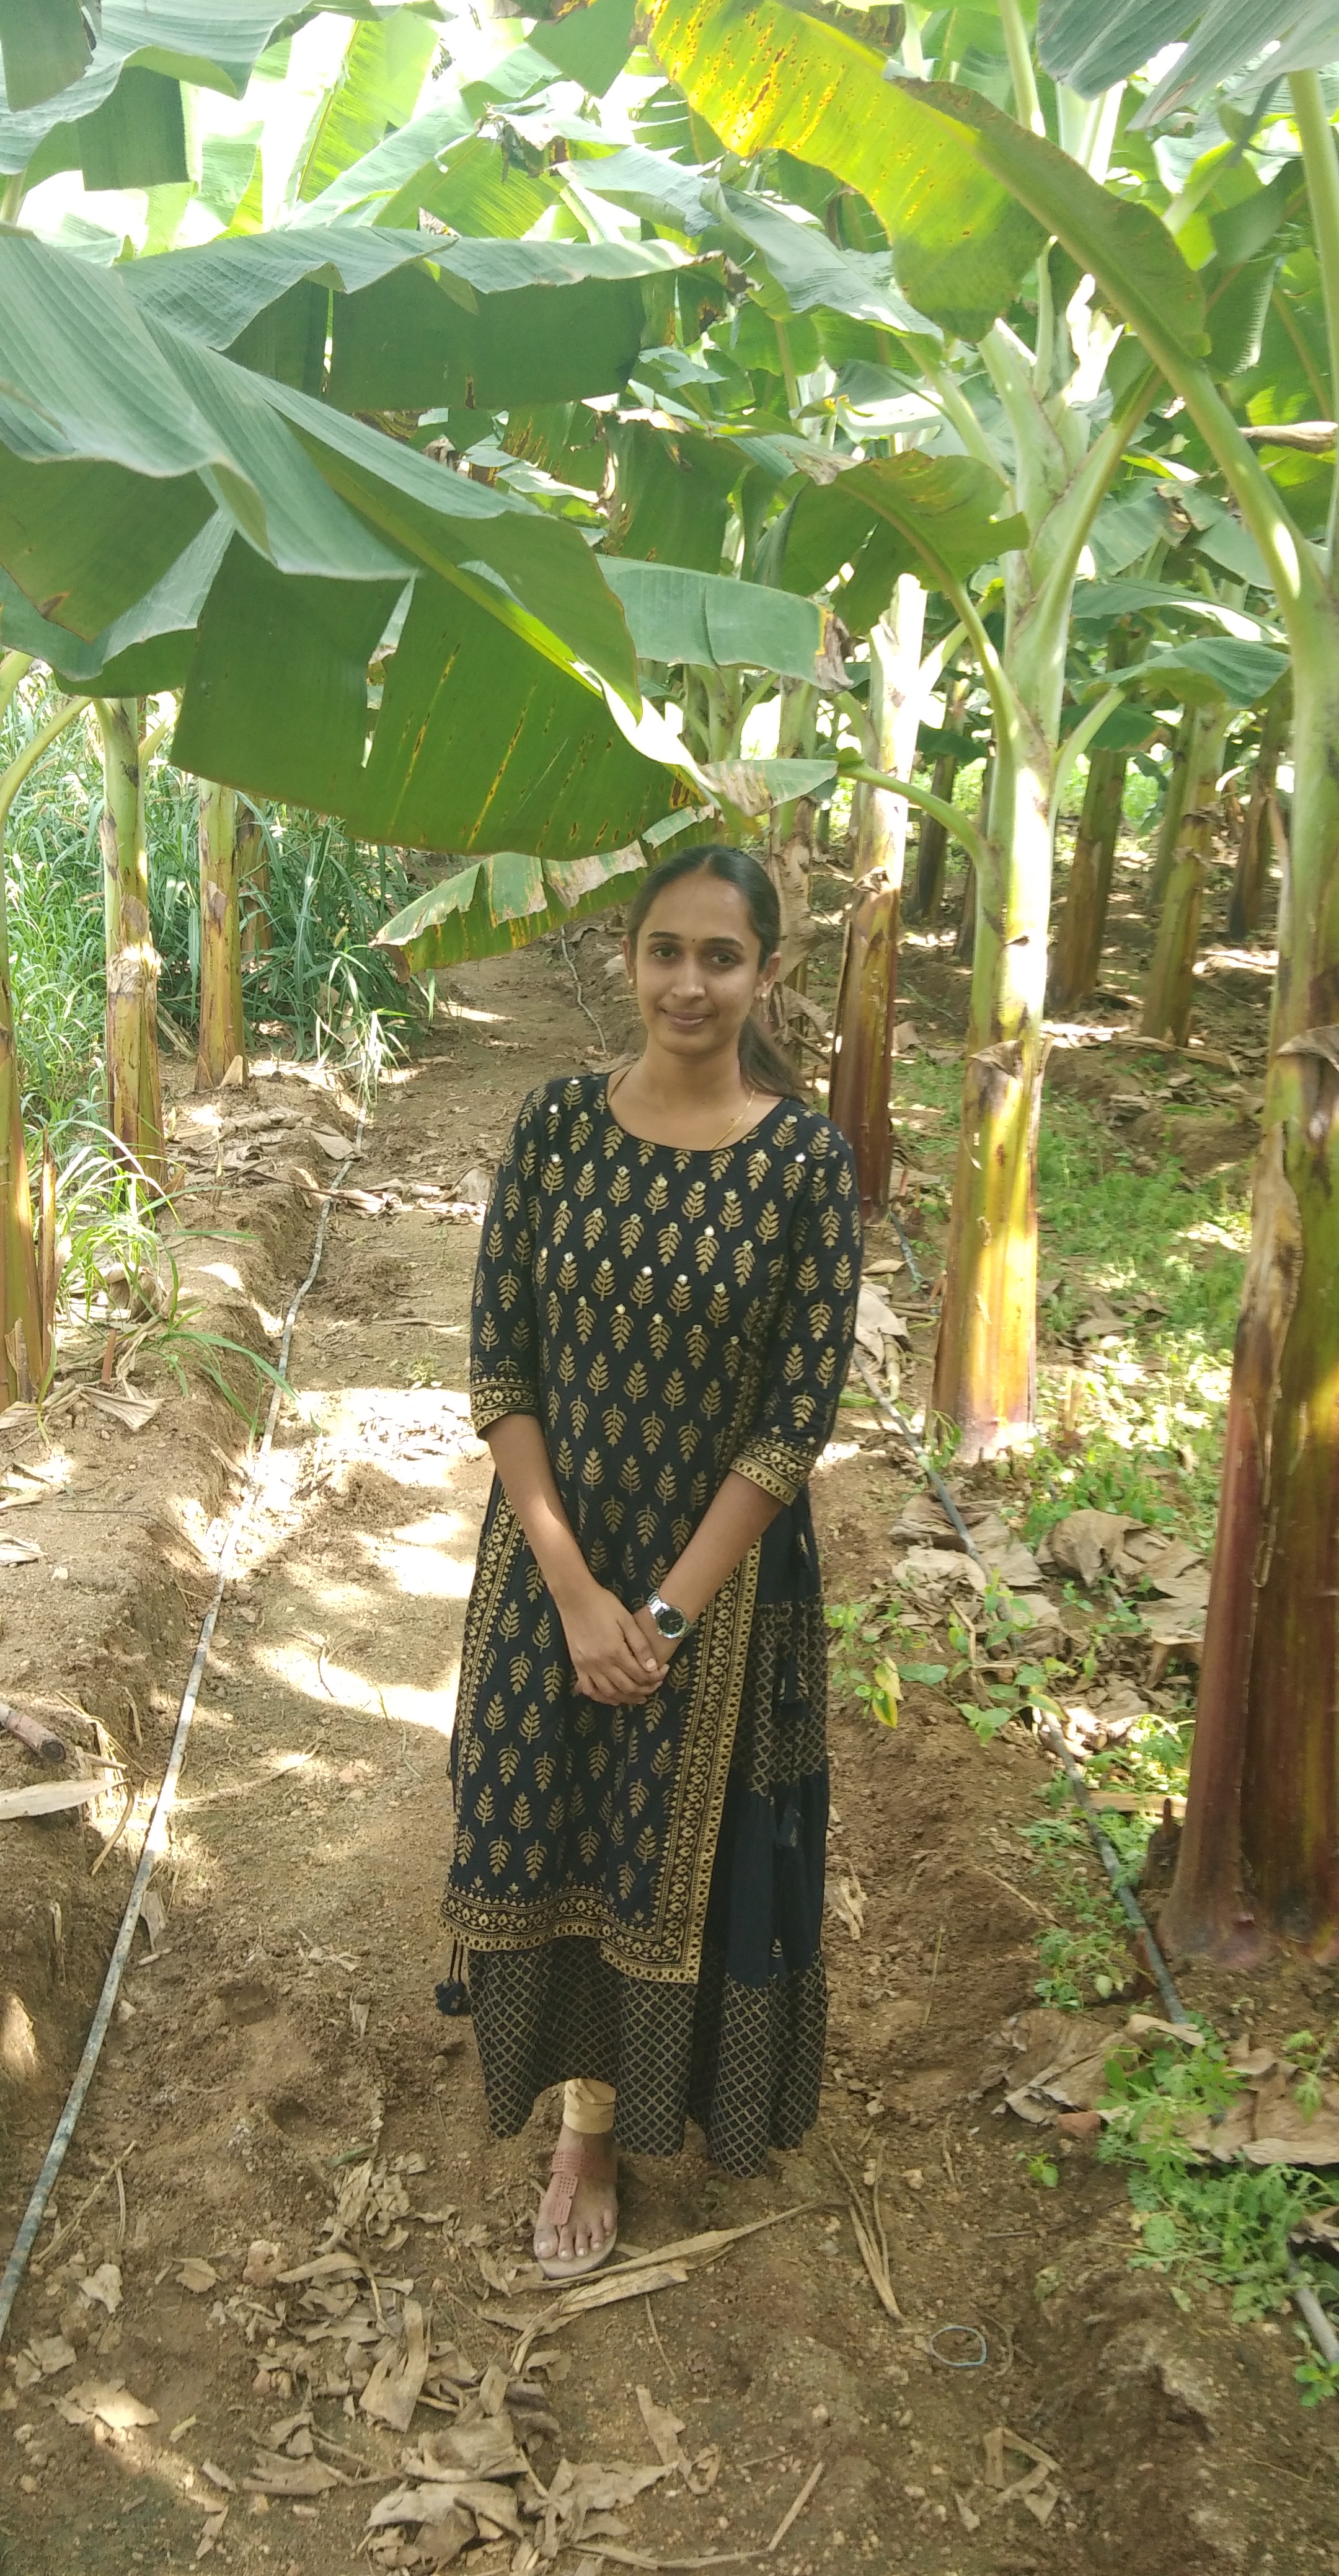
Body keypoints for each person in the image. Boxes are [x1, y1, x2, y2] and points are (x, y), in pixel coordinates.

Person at [440, 843, 862, 2279]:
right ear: (627, 958)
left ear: (768, 973)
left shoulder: (804, 1165)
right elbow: (502, 1365)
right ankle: (579, 2113)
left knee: (669, 1856)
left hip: (723, 1594)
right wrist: (574, 1591)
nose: (690, 982)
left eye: (721, 956)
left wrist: (666, 1616)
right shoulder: (556, 1126)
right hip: (549, 1563)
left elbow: (795, 1418)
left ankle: (624, 2113)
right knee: (548, 1829)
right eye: (666, 950)